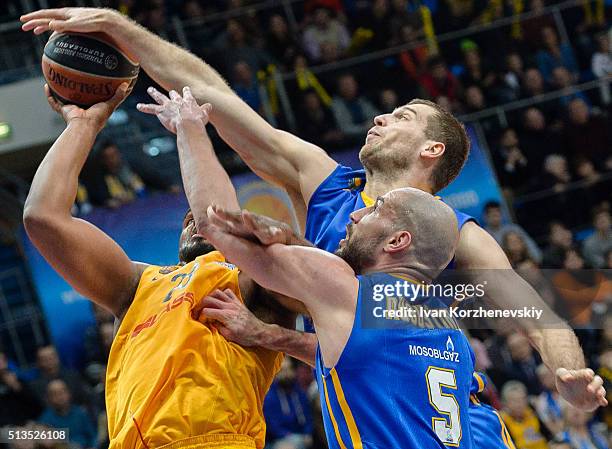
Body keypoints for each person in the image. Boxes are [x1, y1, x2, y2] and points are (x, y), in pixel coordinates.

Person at [20, 9, 608, 449]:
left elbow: (534, 313)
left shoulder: (454, 236)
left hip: (439, 421)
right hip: (375, 410)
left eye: (401, 115)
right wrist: (124, 31)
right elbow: (215, 96)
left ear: (432, 150)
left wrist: (566, 372)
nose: (380, 115)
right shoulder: (324, 181)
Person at [22, 84, 295, 448]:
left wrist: (191, 131)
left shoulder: (251, 280)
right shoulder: (136, 285)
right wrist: (81, 125)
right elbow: (43, 217)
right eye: (187, 221)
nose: (194, 222)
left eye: (196, 216)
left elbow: (217, 219)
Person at [197, 189, 477, 449]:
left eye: (376, 209)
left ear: (397, 241)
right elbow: (358, 357)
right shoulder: (453, 335)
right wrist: (265, 334)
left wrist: (191, 133)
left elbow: (212, 227)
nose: (355, 215)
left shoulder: (355, 293)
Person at [38, 379, 97, 449]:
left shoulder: (80, 413)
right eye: (54, 394)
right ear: (49, 398)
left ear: (69, 393)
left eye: (62, 392)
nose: (60, 397)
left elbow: (93, 436)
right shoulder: (45, 419)